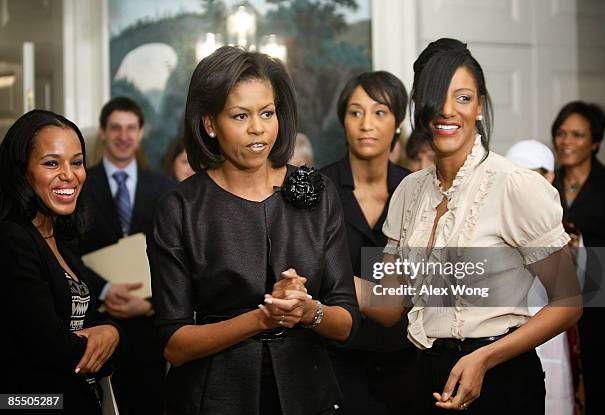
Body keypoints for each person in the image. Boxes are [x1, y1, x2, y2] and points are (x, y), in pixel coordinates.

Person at [356, 38, 581, 414]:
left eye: (462, 98)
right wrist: (320, 271)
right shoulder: (409, 191)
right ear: (420, 106)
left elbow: (569, 302)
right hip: (424, 377)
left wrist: (485, 358)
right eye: (437, 98)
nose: (448, 111)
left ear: (479, 106)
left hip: (501, 379)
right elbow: (390, 303)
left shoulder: (514, 184)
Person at [148, 46, 359, 415]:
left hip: (308, 395)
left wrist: (310, 312)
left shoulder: (318, 193)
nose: (258, 128)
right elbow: (175, 344)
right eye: (240, 115)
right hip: (212, 399)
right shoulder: (180, 208)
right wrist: (263, 318)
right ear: (210, 124)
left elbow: (345, 323)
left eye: (267, 113)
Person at [0, 110, 120, 414]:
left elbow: (91, 329)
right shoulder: (12, 239)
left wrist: (112, 333)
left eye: (77, 162)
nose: (69, 175)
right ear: (21, 170)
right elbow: (51, 349)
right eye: (51, 163)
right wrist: (106, 335)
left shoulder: (57, 240)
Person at [321, 71, 414, 414]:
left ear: (398, 123)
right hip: (336, 359)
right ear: (343, 121)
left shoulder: (417, 190)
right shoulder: (319, 189)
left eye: (379, 112)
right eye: (355, 112)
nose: (366, 124)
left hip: (408, 360)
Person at [75, 97, 174, 414]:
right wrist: (104, 288)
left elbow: (174, 259)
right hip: (94, 322)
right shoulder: (78, 184)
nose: (123, 135)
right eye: (115, 128)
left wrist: (149, 304)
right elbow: (66, 250)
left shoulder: (163, 188)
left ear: (141, 133)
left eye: (131, 128)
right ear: (103, 132)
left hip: (150, 331)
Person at [506, 139, 576, 415]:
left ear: (549, 177)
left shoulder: (573, 236)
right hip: (505, 351)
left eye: (533, 176)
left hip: (556, 349)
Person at [551, 101, 605, 414]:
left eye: (576, 135)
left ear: (595, 142)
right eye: (561, 133)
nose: (566, 142)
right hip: (554, 300)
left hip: (601, 302)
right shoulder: (546, 183)